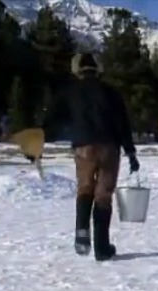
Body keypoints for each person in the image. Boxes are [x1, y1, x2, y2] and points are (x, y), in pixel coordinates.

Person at [42, 52, 140, 261]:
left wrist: (38, 141)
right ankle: (102, 248)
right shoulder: (111, 92)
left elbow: (51, 119)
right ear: (98, 69)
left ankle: (81, 234)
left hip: (83, 148)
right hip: (109, 148)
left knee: (85, 188)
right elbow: (123, 124)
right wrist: (130, 152)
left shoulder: (69, 92)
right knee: (103, 195)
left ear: (77, 69)